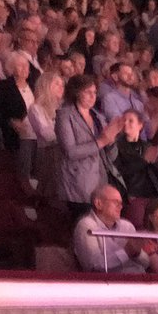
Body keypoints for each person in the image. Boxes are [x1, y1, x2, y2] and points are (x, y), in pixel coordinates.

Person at [56, 73, 123, 218]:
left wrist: (111, 142)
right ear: (76, 93)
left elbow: (109, 156)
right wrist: (101, 141)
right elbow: (70, 152)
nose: (93, 96)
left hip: (100, 181)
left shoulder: (98, 116)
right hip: (78, 183)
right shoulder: (65, 115)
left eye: (94, 92)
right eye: (88, 92)